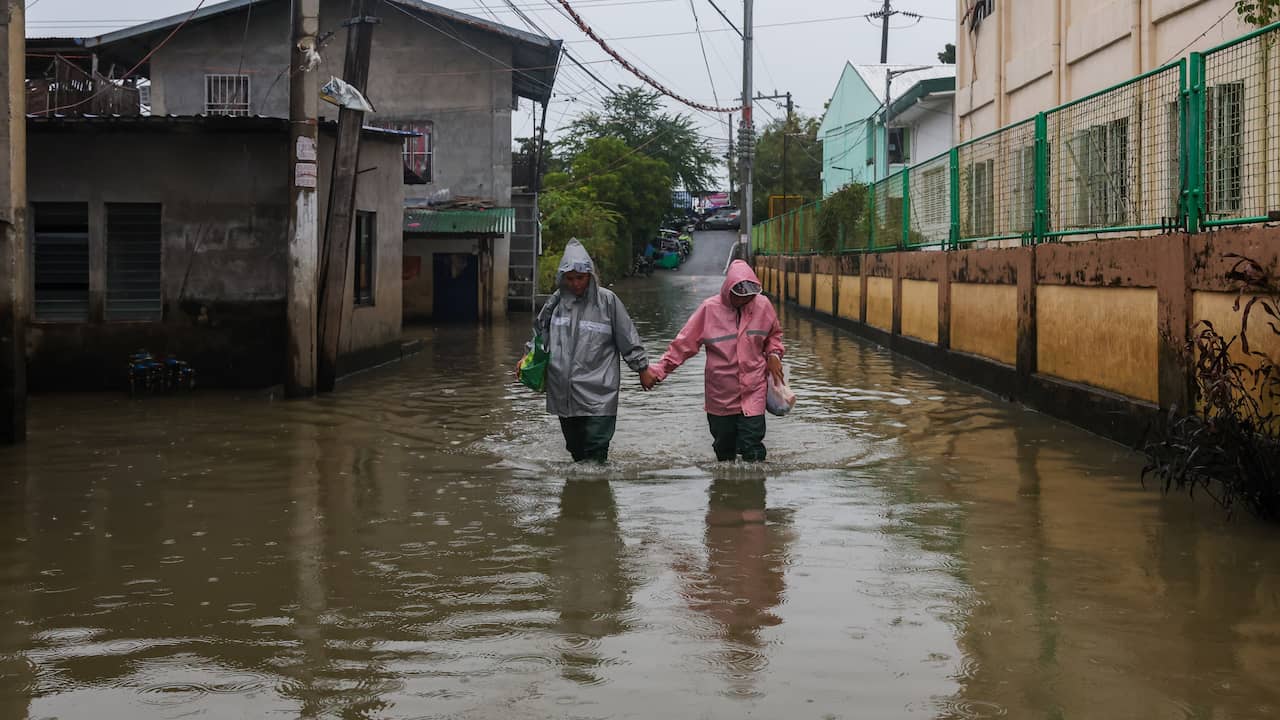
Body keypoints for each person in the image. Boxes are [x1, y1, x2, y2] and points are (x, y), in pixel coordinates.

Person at [532, 239, 656, 463]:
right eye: (570, 279)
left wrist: (642, 368)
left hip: (600, 391)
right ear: (562, 278)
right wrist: (528, 359)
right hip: (564, 391)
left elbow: (627, 336)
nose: (576, 284)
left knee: (596, 449)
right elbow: (540, 334)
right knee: (576, 451)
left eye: (580, 278)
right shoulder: (555, 303)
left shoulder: (607, 302)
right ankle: (580, 494)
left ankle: (596, 492)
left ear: (590, 275)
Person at [649, 260, 784, 462]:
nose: (744, 300)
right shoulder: (709, 310)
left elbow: (774, 335)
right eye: (739, 296)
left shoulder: (762, 306)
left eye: (748, 296)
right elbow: (684, 344)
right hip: (720, 395)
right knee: (724, 449)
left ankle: (754, 490)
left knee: (752, 445)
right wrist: (659, 371)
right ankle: (724, 489)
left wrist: (774, 354)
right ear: (729, 289)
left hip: (754, 390)